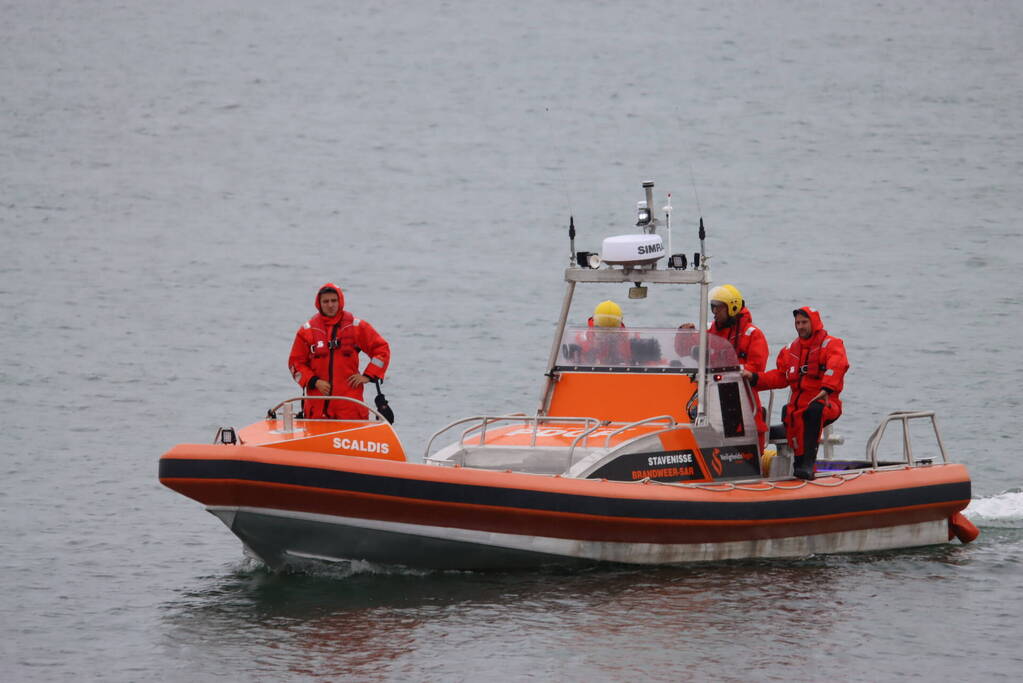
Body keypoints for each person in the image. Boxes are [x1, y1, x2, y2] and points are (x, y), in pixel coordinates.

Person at [742, 306, 849, 480]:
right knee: (790, 414)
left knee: (813, 411)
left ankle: (807, 465)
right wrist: (754, 378)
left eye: (804, 322)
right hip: (797, 407)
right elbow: (779, 376)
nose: (800, 326)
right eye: (797, 322)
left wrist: (826, 388)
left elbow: (837, 365)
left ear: (814, 322)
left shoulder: (830, 344)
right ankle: (798, 466)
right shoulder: (791, 350)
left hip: (826, 402)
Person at [678, 284, 770, 449]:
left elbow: (756, 367)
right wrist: (683, 334)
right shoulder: (710, 331)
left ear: (732, 308)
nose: (715, 312)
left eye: (719, 308)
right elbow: (682, 350)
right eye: (713, 307)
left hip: (740, 394)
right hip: (712, 392)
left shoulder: (752, 334)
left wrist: (734, 371)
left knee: (744, 437)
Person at [288, 282, 391, 420]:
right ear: (319, 303)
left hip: (350, 408)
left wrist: (368, 375)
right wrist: (314, 381)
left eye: (333, 300)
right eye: (326, 301)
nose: (330, 305)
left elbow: (381, 350)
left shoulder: (357, 327)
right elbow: (295, 363)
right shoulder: (306, 331)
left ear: (340, 301)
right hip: (317, 409)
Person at [568, 300, 632, 365]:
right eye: (603, 330)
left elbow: (636, 364)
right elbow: (571, 365)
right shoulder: (580, 341)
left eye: (612, 330)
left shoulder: (628, 340)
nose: (607, 335)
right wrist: (592, 351)